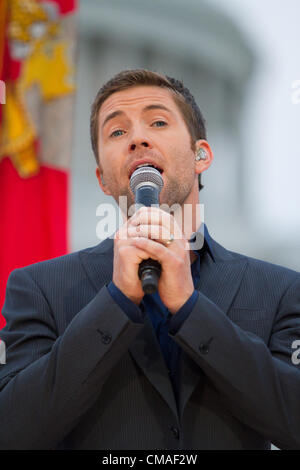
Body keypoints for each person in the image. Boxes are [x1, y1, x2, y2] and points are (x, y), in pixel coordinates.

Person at [1, 69, 300, 450]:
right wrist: (116, 303)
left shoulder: (280, 290)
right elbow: (11, 433)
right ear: (103, 180)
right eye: (117, 132)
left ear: (201, 155)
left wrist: (191, 310)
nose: (138, 138)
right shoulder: (39, 288)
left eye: (158, 122)